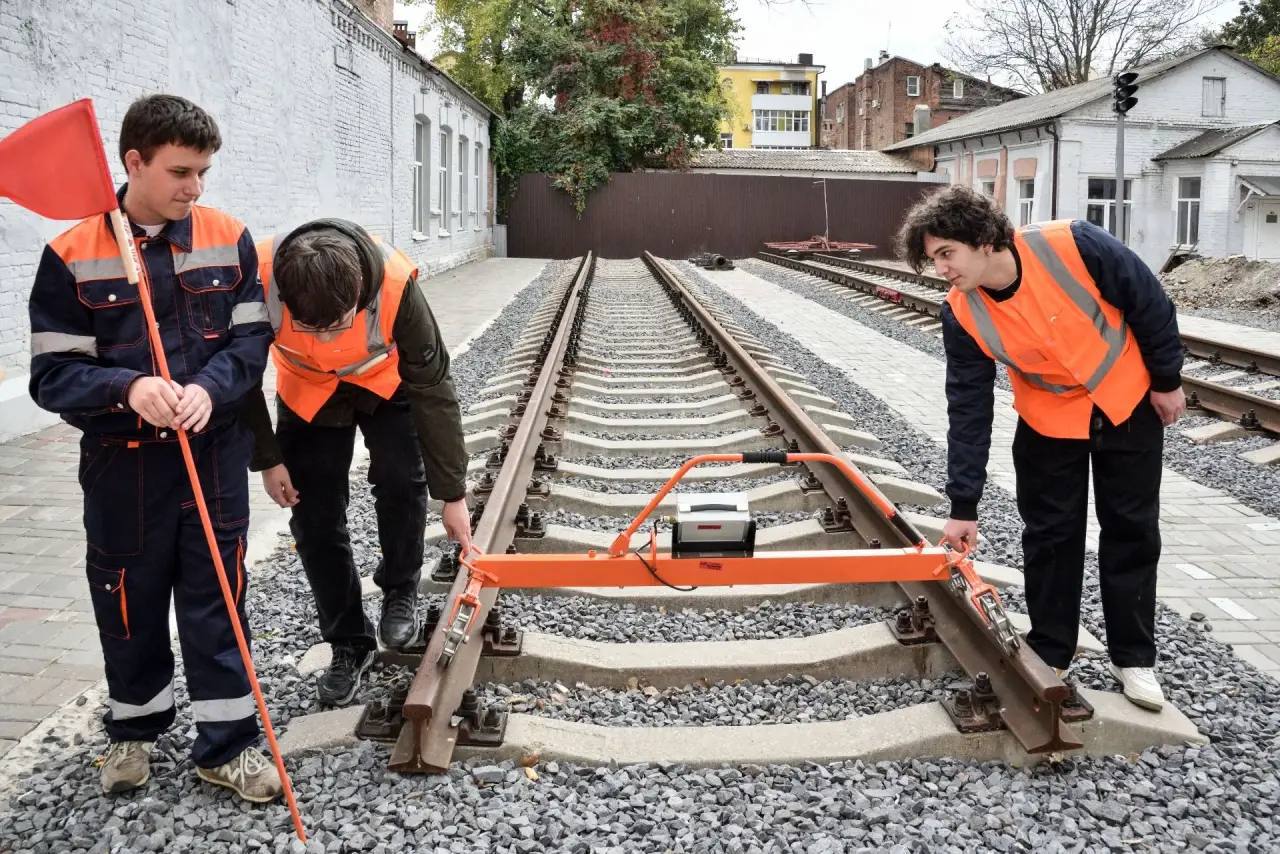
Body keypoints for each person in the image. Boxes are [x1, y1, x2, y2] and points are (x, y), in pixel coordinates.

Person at [28, 95, 282, 800]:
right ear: (133, 161)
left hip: (212, 454)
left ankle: (226, 747)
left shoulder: (229, 236)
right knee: (128, 601)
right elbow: (52, 375)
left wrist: (210, 389)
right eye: (180, 171)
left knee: (218, 599)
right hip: (123, 467)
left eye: (202, 171)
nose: (194, 187)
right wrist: (127, 389)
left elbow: (251, 339)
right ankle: (132, 733)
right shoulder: (71, 254)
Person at [896, 186, 1186, 711]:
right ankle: (1051, 649)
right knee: (1051, 537)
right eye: (932, 258)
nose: (940, 269)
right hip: (1048, 425)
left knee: (1132, 532)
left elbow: (1150, 303)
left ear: (983, 240)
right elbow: (968, 407)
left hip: (1126, 406)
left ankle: (1134, 658)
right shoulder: (961, 312)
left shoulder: (1075, 244)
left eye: (946, 254)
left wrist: (1166, 380)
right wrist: (964, 504)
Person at [241, 219, 471, 707]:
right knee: (313, 516)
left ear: (361, 294)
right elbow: (239, 375)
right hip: (308, 396)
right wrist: (267, 459)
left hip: (386, 385)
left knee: (401, 481)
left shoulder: (394, 285)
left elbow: (433, 389)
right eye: (310, 327)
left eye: (338, 323)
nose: (326, 341)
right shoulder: (255, 277)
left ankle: (400, 590)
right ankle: (348, 641)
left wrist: (452, 493)